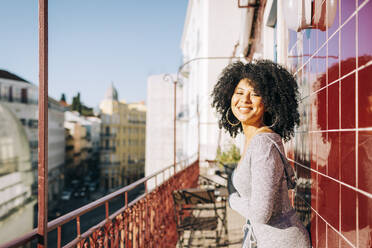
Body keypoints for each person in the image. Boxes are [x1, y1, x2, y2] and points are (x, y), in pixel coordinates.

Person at [211, 60, 310, 248]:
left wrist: (232, 199)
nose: (244, 100)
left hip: (281, 242)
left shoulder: (263, 144)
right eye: (239, 93)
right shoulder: (252, 138)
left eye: (255, 94)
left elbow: (260, 213)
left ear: (269, 102)